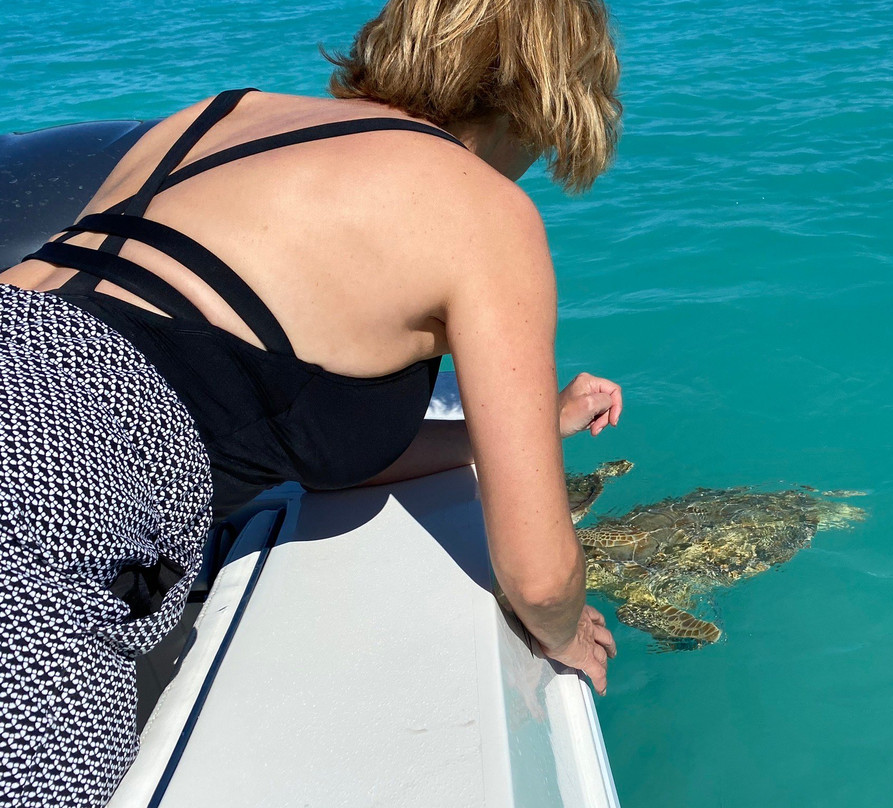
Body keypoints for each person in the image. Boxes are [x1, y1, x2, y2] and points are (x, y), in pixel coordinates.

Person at [0, 0, 622, 803]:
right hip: (50, 486)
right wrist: (569, 627)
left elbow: (289, 415)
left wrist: (524, 429)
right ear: (548, 97)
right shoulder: (483, 208)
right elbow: (537, 578)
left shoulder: (216, 116)